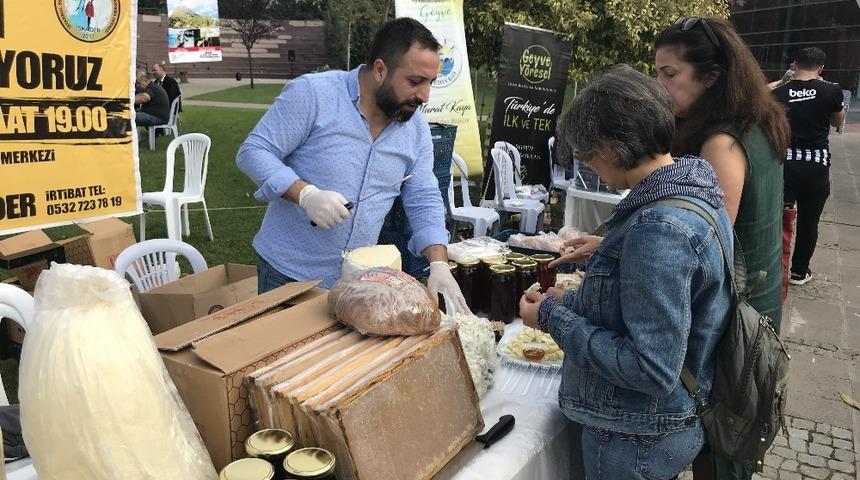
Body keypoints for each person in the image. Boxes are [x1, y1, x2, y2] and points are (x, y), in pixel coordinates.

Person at [520, 64, 734, 480]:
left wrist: (549, 316)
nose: (589, 165)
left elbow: (650, 369)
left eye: (588, 155)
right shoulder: (692, 190)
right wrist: (609, 256)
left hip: (636, 437)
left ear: (613, 147)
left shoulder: (658, 230)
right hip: (653, 428)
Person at [236, 18, 468, 313]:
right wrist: (305, 195)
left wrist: (438, 262)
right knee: (286, 359)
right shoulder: (313, 95)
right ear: (381, 70)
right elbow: (254, 151)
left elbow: (423, 195)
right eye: (415, 81)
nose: (424, 96)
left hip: (358, 282)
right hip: (288, 275)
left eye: (430, 83)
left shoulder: (417, 129)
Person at [772, 47, 847, 286]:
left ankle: (773, 269)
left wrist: (782, 82)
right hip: (816, 164)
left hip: (785, 163)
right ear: (821, 68)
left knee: (778, 218)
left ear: (795, 65)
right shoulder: (831, 90)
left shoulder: (779, 93)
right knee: (809, 220)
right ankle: (798, 272)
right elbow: (837, 121)